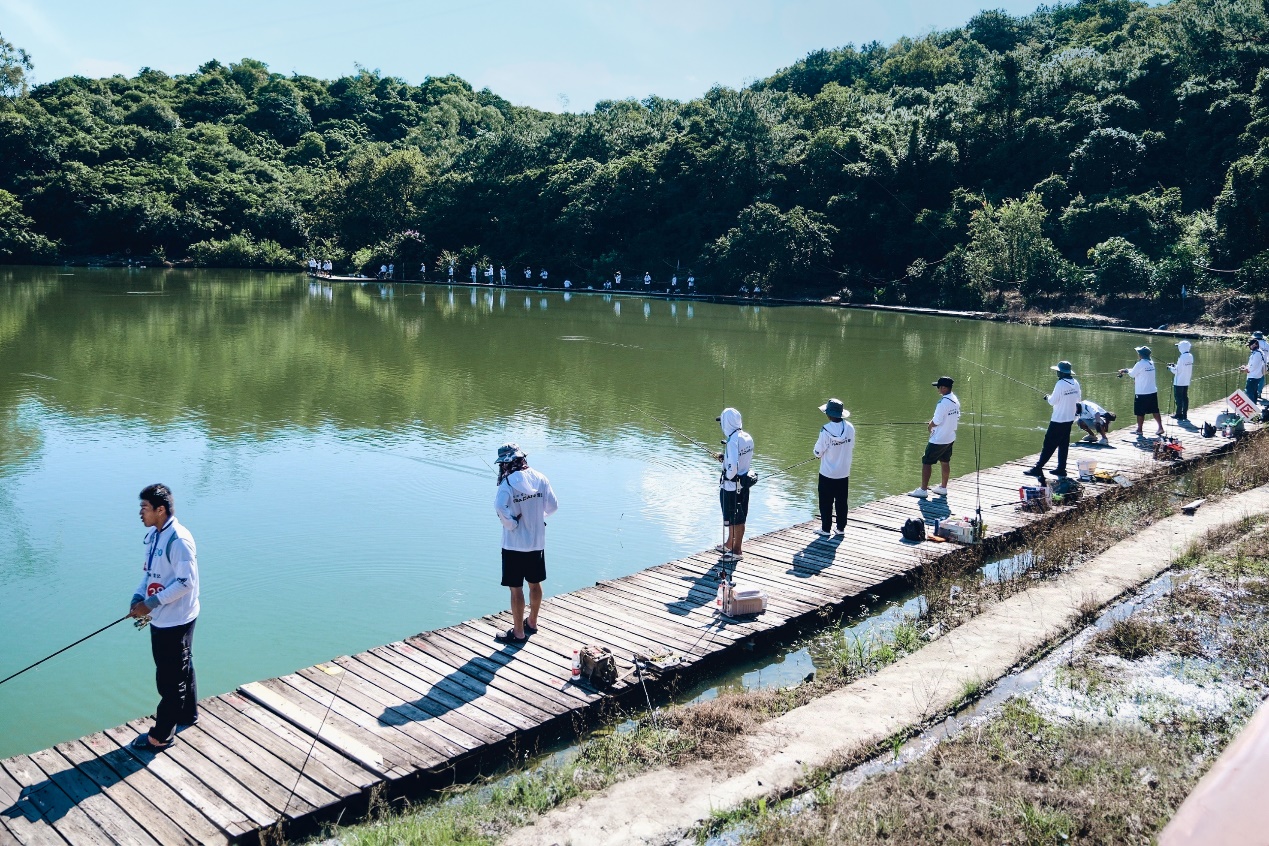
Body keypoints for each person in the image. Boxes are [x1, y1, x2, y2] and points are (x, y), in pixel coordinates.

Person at [127, 483, 199, 751]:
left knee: (170, 680)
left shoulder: (179, 540)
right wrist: (138, 598)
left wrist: (151, 603)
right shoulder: (155, 535)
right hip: (160, 616)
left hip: (176, 619)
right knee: (181, 666)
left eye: (144, 508)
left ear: (161, 509)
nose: (140, 513)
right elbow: (149, 574)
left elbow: (185, 583)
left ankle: (162, 736)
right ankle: (187, 714)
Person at [493, 443, 558, 645]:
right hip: (537, 543)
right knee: (535, 583)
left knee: (515, 589)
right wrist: (539, 517)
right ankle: (532, 622)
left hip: (513, 545)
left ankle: (519, 633)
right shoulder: (540, 478)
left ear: (505, 463)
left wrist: (512, 524)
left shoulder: (507, 484)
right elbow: (553, 506)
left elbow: (499, 506)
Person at [1023, 361, 1082, 480]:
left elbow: (1052, 401)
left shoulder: (1060, 384)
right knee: (1063, 444)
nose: (1057, 373)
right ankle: (1061, 469)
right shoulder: (1075, 383)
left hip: (1058, 420)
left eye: (1058, 371)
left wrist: (1047, 397)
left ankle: (1038, 468)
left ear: (1061, 372)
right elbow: (1078, 400)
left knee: (1048, 444)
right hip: (1069, 419)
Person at [908, 376, 959, 499]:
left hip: (938, 439)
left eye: (939, 387)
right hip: (950, 437)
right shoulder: (955, 400)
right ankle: (943, 487)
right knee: (945, 461)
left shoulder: (943, 403)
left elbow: (936, 421)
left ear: (944, 388)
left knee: (926, 462)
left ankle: (923, 490)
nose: (937, 389)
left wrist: (930, 426)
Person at [715, 407, 754, 561]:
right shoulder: (747, 437)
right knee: (739, 515)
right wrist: (724, 457)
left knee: (735, 517)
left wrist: (727, 474)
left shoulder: (732, 441)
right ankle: (730, 544)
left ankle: (737, 551)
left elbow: (732, 468)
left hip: (731, 486)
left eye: (722, 422)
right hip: (743, 484)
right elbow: (740, 459)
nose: (721, 425)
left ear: (728, 423)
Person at [813, 398, 855, 537]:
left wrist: (817, 454)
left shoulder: (825, 430)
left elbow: (818, 452)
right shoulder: (850, 428)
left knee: (826, 502)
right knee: (842, 501)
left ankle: (825, 529)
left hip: (827, 473)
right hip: (844, 473)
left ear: (829, 414)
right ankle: (841, 528)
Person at [1118, 345, 1164, 437]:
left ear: (1141, 355)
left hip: (1142, 392)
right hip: (1152, 391)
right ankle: (1160, 428)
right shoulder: (1151, 363)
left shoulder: (1140, 364)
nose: (1138, 354)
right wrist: (1127, 370)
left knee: (1140, 412)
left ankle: (1139, 430)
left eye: (1139, 353)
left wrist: (1125, 371)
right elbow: (1137, 371)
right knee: (1155, 410)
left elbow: (1132, 374)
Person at [1168, 340, 1194, 421]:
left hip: (1179, 381)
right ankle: (1184, 414)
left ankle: (1178, 414)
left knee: (1178, 398)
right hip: (1186, 380)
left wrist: (1170, 368)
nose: (1178, 348)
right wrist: (1175, 366)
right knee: (1184, 397)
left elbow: (1177, 371)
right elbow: (1182, 368)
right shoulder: (1190, 356)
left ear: (1182, 347)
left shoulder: (1182, 357)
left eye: (1179, 346)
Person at [1241, 338, 1266, 405]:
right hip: (1257, 375)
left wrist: (1245, 370)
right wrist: (1246, 367)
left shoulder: (1257, 354)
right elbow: (1253, 365)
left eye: (1250, 345)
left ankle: (1251, 409)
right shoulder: (1259, 352)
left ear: (1255, 345)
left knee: (1249, 392)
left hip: (1253, 376)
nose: (1249, 347)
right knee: (1254, 392)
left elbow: (1253, 366)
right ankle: (1254, 407)